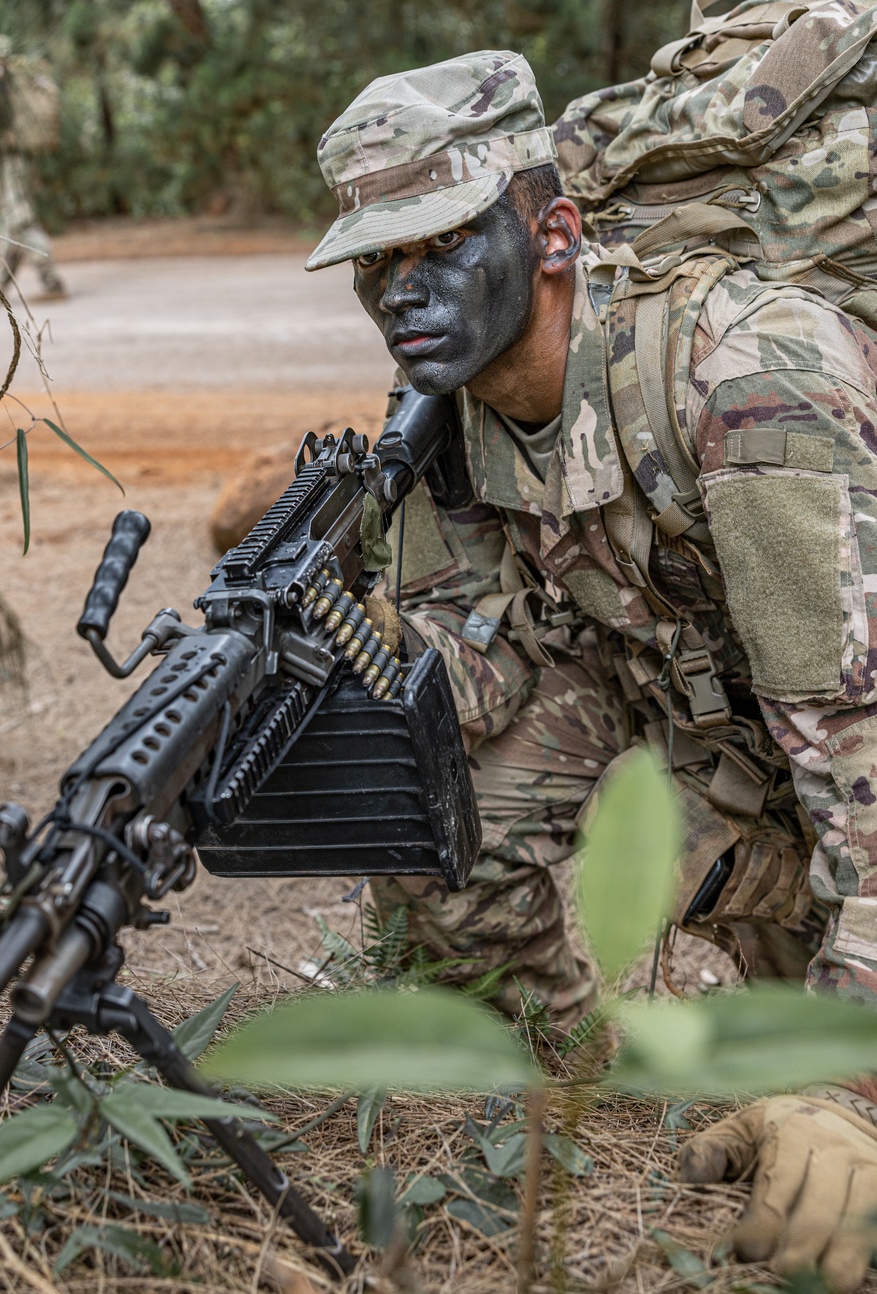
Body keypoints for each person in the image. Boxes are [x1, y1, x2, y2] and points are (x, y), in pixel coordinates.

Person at [307, 50, 877, 1290]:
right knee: (424, 802)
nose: (402, 292)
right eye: (374, 261)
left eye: (443, 243)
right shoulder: (443, 423)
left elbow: (866, 753)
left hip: (838, 749)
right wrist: (338, 653)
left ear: (552, 231)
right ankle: (582, 1082)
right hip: (721, 727)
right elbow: (471, 690)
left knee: (831, 1141)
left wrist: (845, 1085)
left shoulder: (747, 382)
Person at [0, 34, 66, 301]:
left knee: (21, 220)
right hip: (22, 159)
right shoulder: (16, 81)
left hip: (8, 160)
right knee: (12, 221)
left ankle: (52, 282)